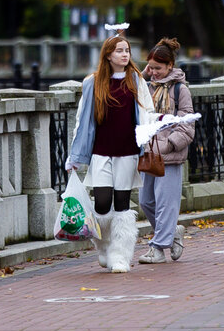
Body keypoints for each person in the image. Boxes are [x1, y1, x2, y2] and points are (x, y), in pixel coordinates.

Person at [65, 25, 163, 273]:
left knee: (122, 205)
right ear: (108, 55)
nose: (124, 54)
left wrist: (158, 123)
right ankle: (103, 246)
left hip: (127, 151)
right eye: (119, 51)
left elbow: (147, 112)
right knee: (101, 205)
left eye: (127, 50)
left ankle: (120, 256)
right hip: (100, 151)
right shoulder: (92, 82)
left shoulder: (136, 80)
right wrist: (74, 156)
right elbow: (82, 121)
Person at [137, 38, 195, 264]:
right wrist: (142, 74)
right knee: (145, 201)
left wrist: (168, 145)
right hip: (148, 153)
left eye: (158, 68)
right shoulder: (145, 87)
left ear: (170, 65)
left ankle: (158, 248)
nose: (154, 73)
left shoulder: (180, 90)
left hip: (169, 155)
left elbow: (187, 125)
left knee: (165, 204)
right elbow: (125, 88)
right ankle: (172, 232)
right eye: (150, 67)